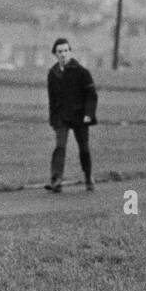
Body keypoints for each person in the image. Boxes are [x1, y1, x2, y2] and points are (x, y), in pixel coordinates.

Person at [45, 38, 98, 193]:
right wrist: (53, 118)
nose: (63, 54)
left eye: (66, 51)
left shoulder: (82, 72)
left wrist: (89, 114)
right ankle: (56, 180)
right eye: (59, 51)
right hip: (61, 117)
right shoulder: (52, 73)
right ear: (55, 54)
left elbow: (91, 95)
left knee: (84, 149)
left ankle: (88, 176)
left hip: (80, 117)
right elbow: (52, 99)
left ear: (70, 52)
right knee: (60, 147)